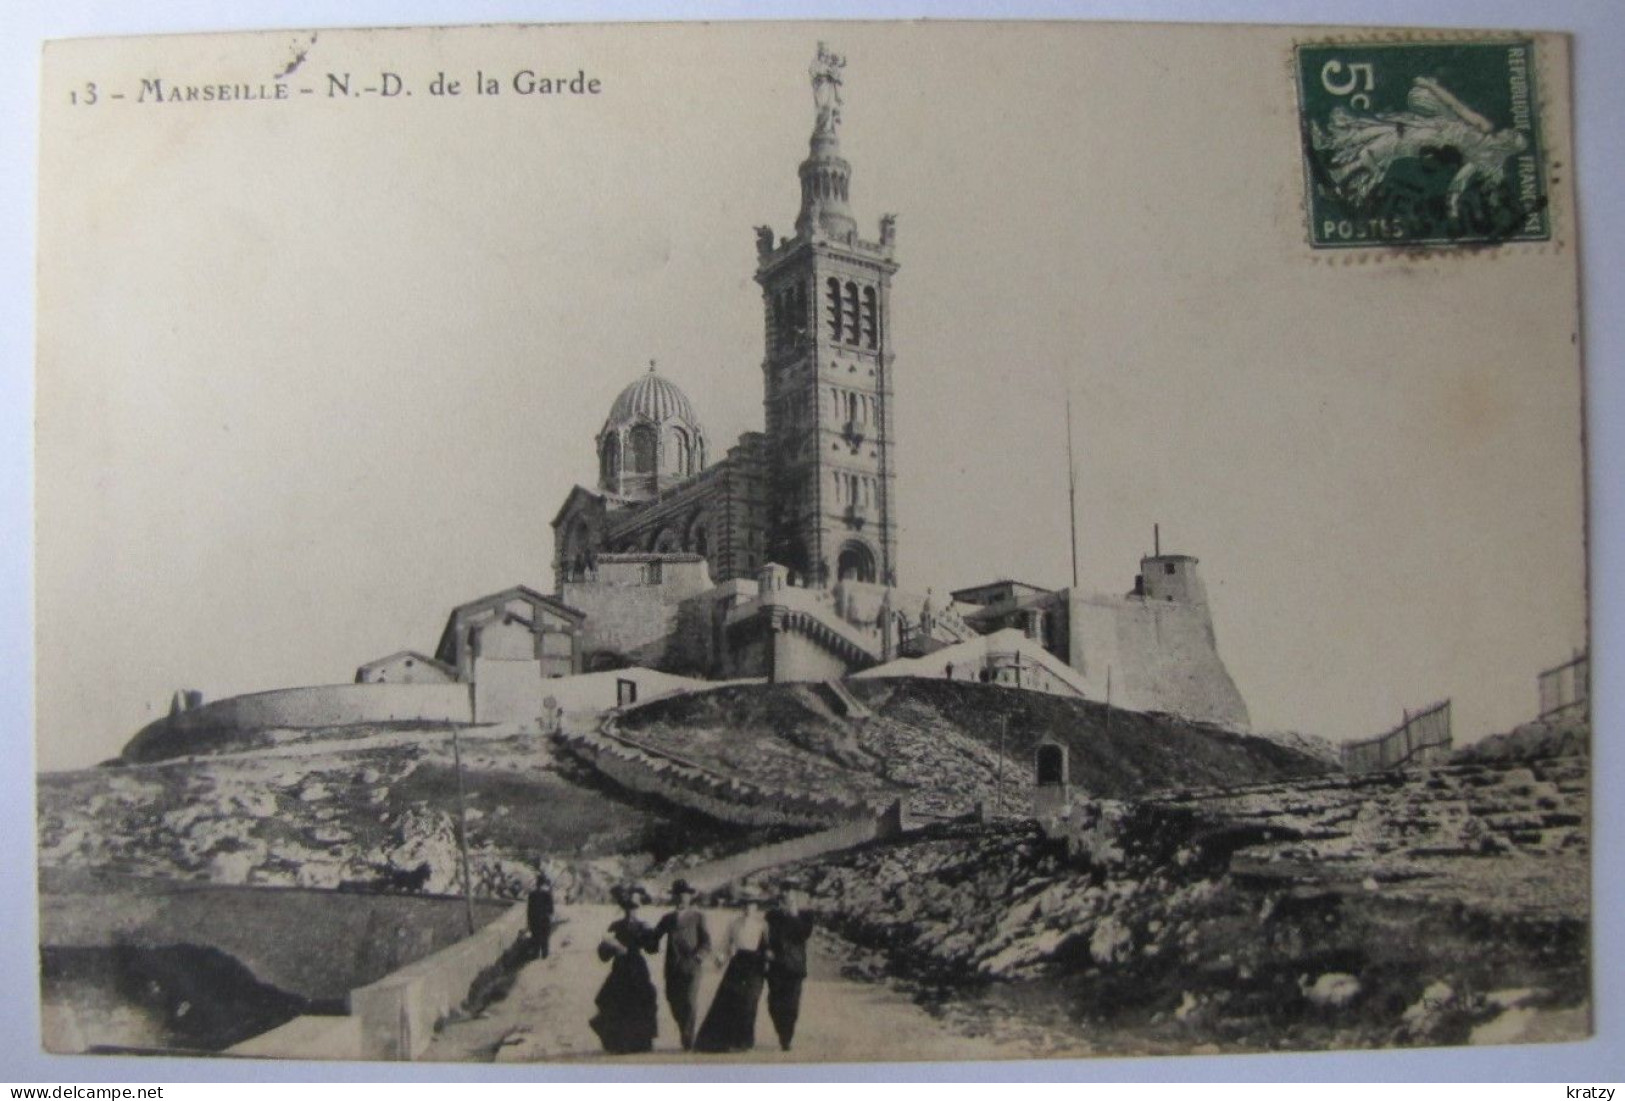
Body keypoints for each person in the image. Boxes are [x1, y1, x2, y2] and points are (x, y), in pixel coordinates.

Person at [693, 886, 770, 1053]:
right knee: (728, 999)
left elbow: (768, 947)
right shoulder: (734, 924)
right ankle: (720, 1040)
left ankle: (745, 1041)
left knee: (750, 1001)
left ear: (757, 906)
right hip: (738, 963)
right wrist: (720, 959)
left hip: (755, 964)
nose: (749, 908)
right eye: (746, 904)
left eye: (752, 904)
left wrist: (768, 963)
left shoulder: (762, 925)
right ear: (742, 905)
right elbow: (725, 944)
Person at [588, 885, 660, 1054]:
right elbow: (603, 953)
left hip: (637, 968)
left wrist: (650, 936)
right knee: (614, 1002)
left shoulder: (643, 926)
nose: (630, 912)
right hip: (620, 968)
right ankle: (618, 1042)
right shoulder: (616, 926)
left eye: (633, 909)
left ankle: (641, 1042)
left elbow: (652, 948)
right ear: (623, 909)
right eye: (627, 909)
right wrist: (609, 947)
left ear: (638, 909)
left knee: (641, 1001)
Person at [651, 878, 711, 1051]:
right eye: (678, 895)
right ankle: (684, 1030)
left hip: (692, 966)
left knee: (690, 1001)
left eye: (685, 895)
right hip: (672, 967)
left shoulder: (698, 917)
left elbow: (706, 942)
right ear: (674, 897)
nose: (682, 899)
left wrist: (699, 956)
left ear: (690, 897)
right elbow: (654, 938)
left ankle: (688, 1038)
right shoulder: (667, 918)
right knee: (673, 1000)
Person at [764, 884, 814, 1052]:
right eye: (784, 894)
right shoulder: (772, 916)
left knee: (791, 1005)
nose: (787, 898)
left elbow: (803, 934)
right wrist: (767, 951)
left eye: (791, 895)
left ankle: (787, 1037)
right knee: (773, 1004)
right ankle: (782, 1032)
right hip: (776, 967)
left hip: (794, 967)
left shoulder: (805, 916)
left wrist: (793, 915)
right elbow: (765, 936)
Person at [526, 872, 556, 960]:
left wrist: (529, 921)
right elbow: (551, 909)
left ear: (537, 882)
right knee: (545, 936)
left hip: (534, 919)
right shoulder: (547, 893)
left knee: (535, 936)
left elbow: (529, 909)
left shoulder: (532, 894)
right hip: (545, 919)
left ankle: (536, 954)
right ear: (544, 882)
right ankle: (544, 954)